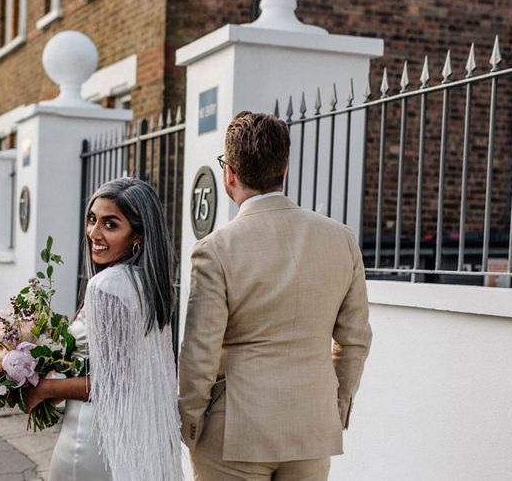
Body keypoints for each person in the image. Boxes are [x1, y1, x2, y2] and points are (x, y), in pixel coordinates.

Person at [179, 111, 373, 481]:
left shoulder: (215, 249)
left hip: (234, 430)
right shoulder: (341, 239)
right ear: (284, 169)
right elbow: (355, 339)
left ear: (229, 174)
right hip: (311, 427)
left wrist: (191, 422)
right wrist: (336, 406)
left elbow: (199, 350)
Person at [26, 177, 183, 480]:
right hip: (133, 440)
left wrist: (44, 389)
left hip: (93, 440)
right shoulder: (148, 285)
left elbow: (113, 383)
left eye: (111, 225)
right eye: (92, 219)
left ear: (138, 235)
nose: (94, 233)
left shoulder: (108, 286)